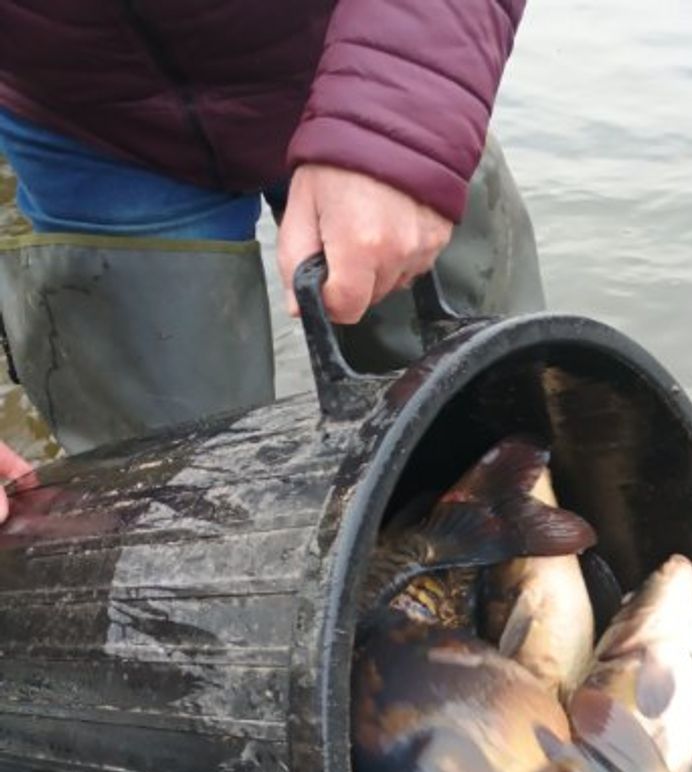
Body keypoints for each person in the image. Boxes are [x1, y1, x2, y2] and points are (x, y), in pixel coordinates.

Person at [0, 0, 542, 461]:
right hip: (85, 125)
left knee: (500, 423)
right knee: (162, 491)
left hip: (370, 60)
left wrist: (406, 125)